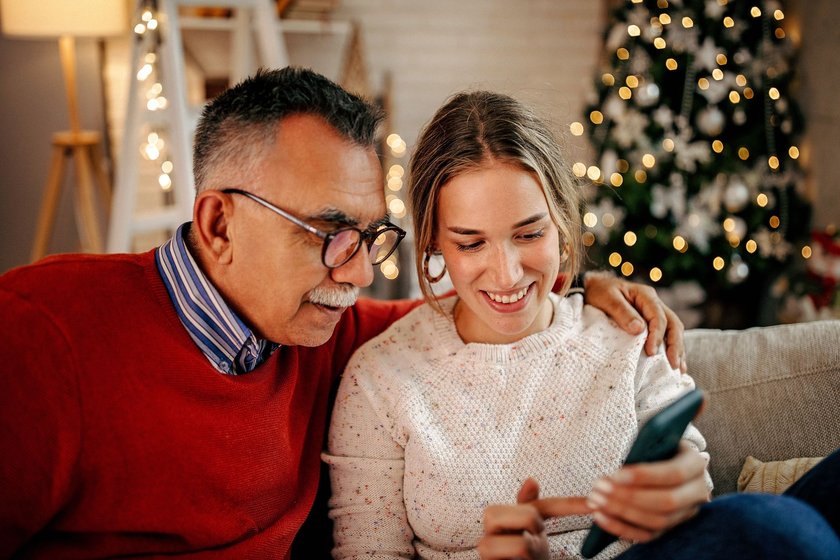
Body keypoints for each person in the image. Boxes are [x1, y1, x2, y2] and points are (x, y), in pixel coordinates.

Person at [0, 67, 686, 559]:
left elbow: (483, 319)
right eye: (328, 234)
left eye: (369, 236)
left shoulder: (323, 331)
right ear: (218, 225)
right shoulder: (40, 333)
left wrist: (581, 289)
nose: (358, 274)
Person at [324, 91, 840, 559]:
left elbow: (695, 492)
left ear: (563, 226)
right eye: (471, 243)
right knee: (777, 528)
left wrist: (684, 490)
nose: (506, 274)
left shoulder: (625, 330)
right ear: (434, 243)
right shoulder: (380, 378)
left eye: (529, 234)